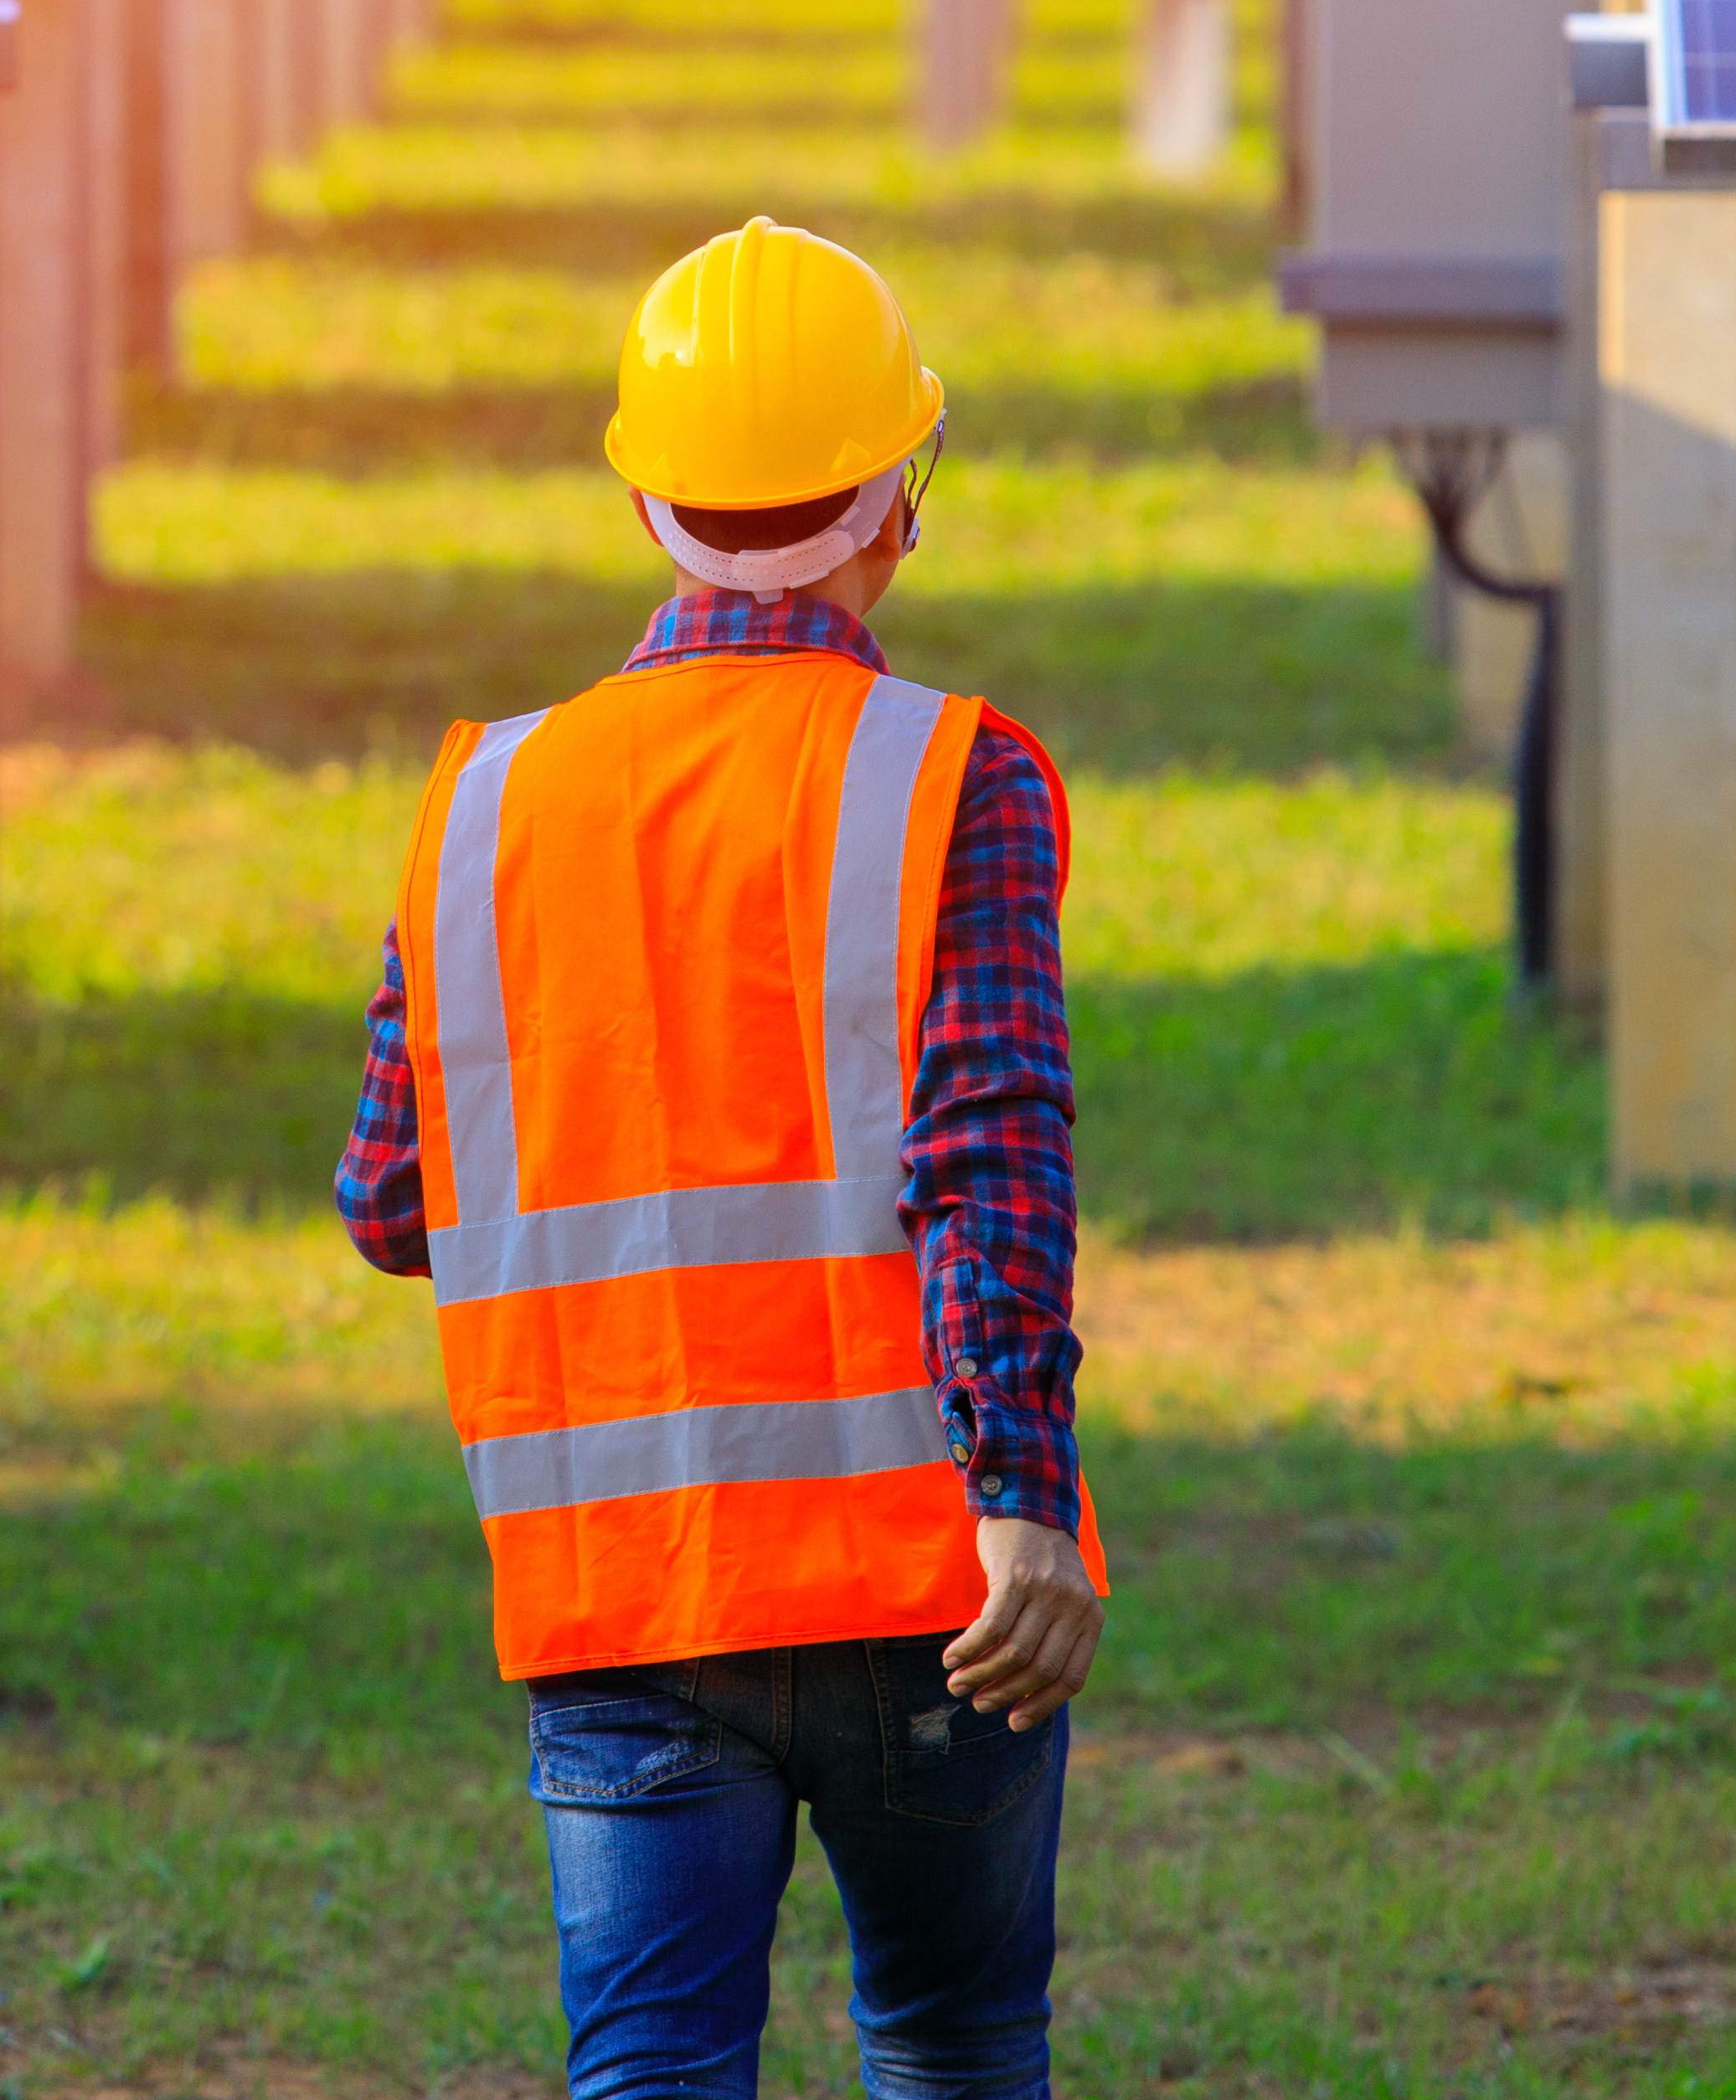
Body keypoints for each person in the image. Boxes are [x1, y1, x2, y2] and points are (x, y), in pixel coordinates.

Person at [337, 215, 1101, 2100]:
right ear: (897, 501)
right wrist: (1021, 1491)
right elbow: (993, 1144)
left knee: (656, 2068)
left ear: (646, 502)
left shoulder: (486, 803)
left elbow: (390, 1197)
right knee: (951, 2040)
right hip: (930, 1579)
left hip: (625, 1572)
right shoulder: (956, 771)